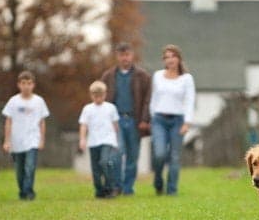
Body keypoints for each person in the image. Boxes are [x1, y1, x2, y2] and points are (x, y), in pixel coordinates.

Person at [100, 42, 151, 195]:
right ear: (117, 56)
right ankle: (116, 185)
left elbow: (148, 99)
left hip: (135, 120)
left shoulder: (142, 76)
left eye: (127, 54)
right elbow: (101, 99)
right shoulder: (108, 76)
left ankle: (128, 188)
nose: (125, 58)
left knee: (132, 156)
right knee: (117, 152)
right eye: (122, 55)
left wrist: (144, 119)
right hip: (116, 121)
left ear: (132, 55)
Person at [149, 44, 196, 196]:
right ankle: (158, 180)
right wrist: (152, 118)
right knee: (159, 154)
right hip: (159, 120)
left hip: (178, 121)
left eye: (173, 56)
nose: (170, 60)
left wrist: (187, 122)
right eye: (167, 57)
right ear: (164, 60)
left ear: (179, 59)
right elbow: (154, 99)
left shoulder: (186, 79)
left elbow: (189, 101)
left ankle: (172, 190)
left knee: (174, 156)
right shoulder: (157, 76)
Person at [2, 71, 50, 200]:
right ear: (19, 85)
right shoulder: (13, 101)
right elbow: (8, 121)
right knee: (20, 171)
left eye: (29, 83)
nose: (26, 86)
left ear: (33, 85)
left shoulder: (39, 101)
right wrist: (7, 140)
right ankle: (23, 191)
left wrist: (41, 139)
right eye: (23, 83)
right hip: (16, 141)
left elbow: (42, 122)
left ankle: (29, 192)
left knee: (30, 167)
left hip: (32, 140)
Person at [78, 81, 120, 199]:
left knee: (104, 162)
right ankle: (99, 190)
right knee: (96, 169)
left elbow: (115, 125)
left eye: (100, 95)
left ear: (105, 94)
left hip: (108, 140)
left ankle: (110, 187)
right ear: (91, 95)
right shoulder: (87, 109)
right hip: (93, 141)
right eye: (95, 96)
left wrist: (116, 141)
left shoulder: (111, 108)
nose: (98, 98)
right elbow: (84, 125)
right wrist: (82, 139)